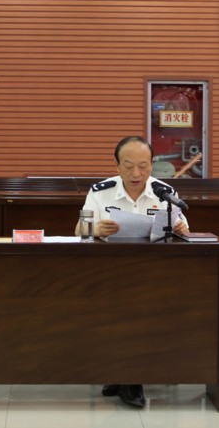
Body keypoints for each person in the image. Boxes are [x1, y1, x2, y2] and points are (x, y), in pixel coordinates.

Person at [78, 136, 189, 408]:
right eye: (128, 166)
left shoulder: (165, 192)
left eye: (143, 166)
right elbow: (80, 229)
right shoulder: (99, 192)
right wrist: (96, 229)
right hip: (110, 272)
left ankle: (128, 378)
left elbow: (184, 229)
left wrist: (180, 229)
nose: (136, 173)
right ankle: (124, 376)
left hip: (154, 273)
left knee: (143, 304)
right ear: (117, 166)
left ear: (152, 164)